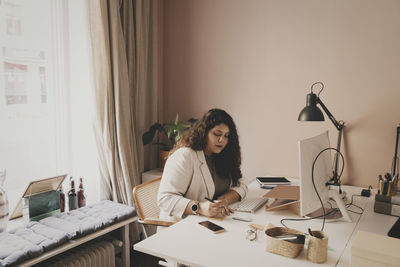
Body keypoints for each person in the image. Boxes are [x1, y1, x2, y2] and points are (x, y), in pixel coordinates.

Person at [157, 108, 248, 221]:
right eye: (217, 134)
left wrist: (224, 200)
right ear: (204, 132)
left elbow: (241, 184)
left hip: (212, 221)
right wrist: (199, 207)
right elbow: (165, 199)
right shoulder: (185, 156)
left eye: (226, 136)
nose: (222, 140)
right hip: (181, 224)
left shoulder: (223, 155)